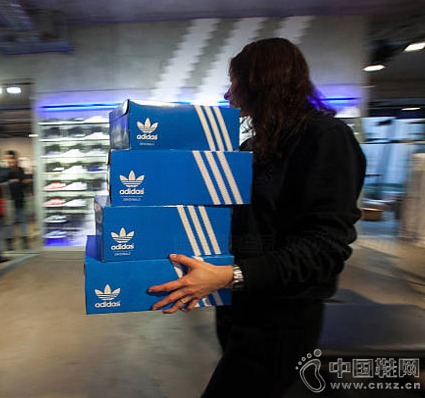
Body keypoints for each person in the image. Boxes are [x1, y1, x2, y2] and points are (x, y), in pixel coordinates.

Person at [149, 38, 366, 397]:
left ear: (259, 82)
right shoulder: (253, 148)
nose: (228, 94)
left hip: (282, 319)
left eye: (234, 82)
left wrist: (229, 275)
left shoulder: (325, 139)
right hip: (238, 307)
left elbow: (324, 247)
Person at [4, 150, 30, 250]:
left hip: (19, 198)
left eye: (11, 158)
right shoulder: (5, 171)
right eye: (7, 158)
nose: (9, 161)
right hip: (9, 199)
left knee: (22, 219)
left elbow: (24, 182)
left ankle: (24, 240)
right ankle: (9, 241)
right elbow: (2, 183)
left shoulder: (20, 170)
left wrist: (22, 182)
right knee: (10, 222)